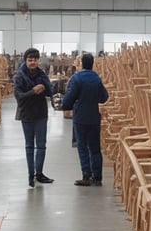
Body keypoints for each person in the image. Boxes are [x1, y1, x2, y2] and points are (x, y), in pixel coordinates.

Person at [60, 52, 109, 186]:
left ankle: (86, 176)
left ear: (81, 63)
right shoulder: (97, 78)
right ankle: (98, 177)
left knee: (82, 147)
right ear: (93, 63)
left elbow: (70, 97)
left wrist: (65, 106)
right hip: (94, 117)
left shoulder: (77, 78)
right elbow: (104, 97)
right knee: (95, 147)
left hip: (80, 117)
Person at [13, 47, 54, 188]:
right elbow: (19, 96)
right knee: (30, 146)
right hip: (27, 114)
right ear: (25, 60)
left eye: (35, 60)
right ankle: (31, 174)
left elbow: (50, 91)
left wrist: (44, 86)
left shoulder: (41, 74)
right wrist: (33, 91)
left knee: (41, 145)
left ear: (38, 60)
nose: (32, 62)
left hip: (41, 114)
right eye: (30, 60)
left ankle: (39, 173)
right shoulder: (19, 76)